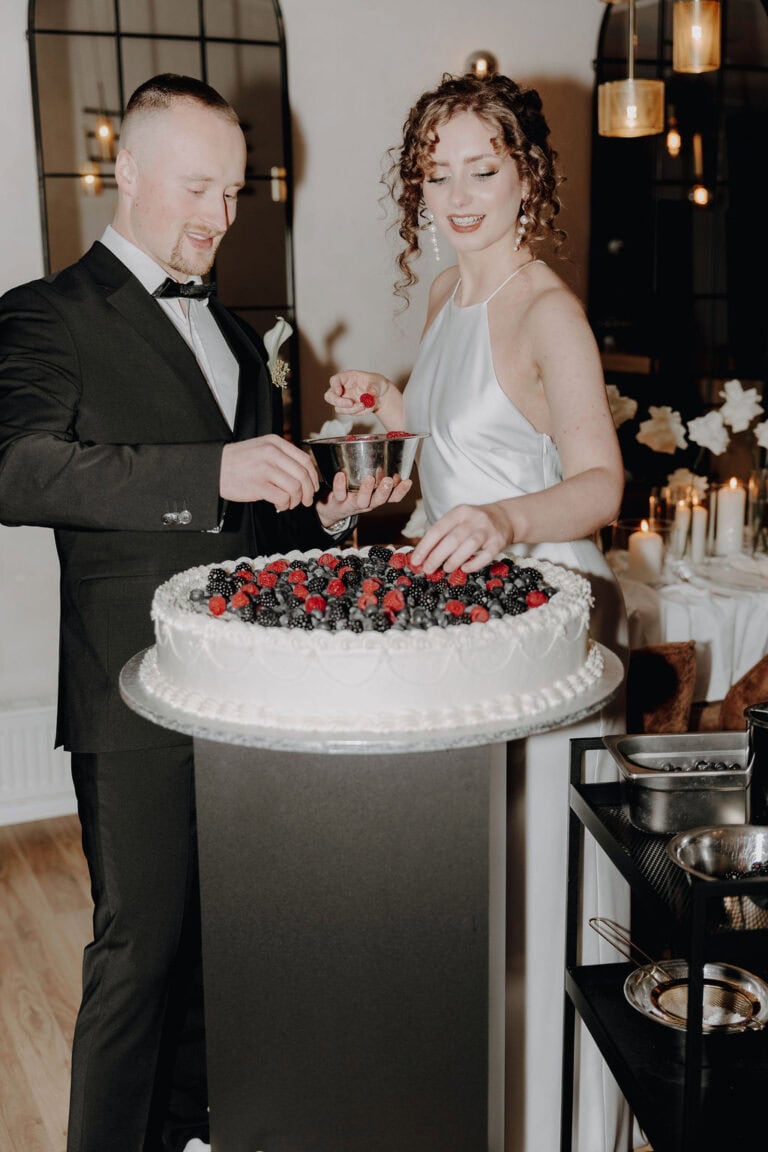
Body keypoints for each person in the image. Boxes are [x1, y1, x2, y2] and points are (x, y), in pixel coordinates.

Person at [0, 74, 409, 1152]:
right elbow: (17, 471)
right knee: (137, 956)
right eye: (196, 188)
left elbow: (254, 535)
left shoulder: (240, 337)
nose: (218, 219)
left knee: (216, 946)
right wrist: (210, 469)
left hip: (244, 697)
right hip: (128, 695)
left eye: (234, 194)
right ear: (122, 171)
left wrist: (327, 514)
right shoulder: (45, 315)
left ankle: (190, 1132)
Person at [325, 71, 631, 1152]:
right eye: (434, 173)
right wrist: (388, 416)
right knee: (476, 912)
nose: (456, 196)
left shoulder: (550, 310)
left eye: (481, 170)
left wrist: (501, 521)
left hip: (544, 633)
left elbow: (599, 483)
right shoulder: (449, 298)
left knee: (536, 916)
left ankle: (555, 1127)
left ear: (526, 177)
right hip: (473, 636)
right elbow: (457, 455)